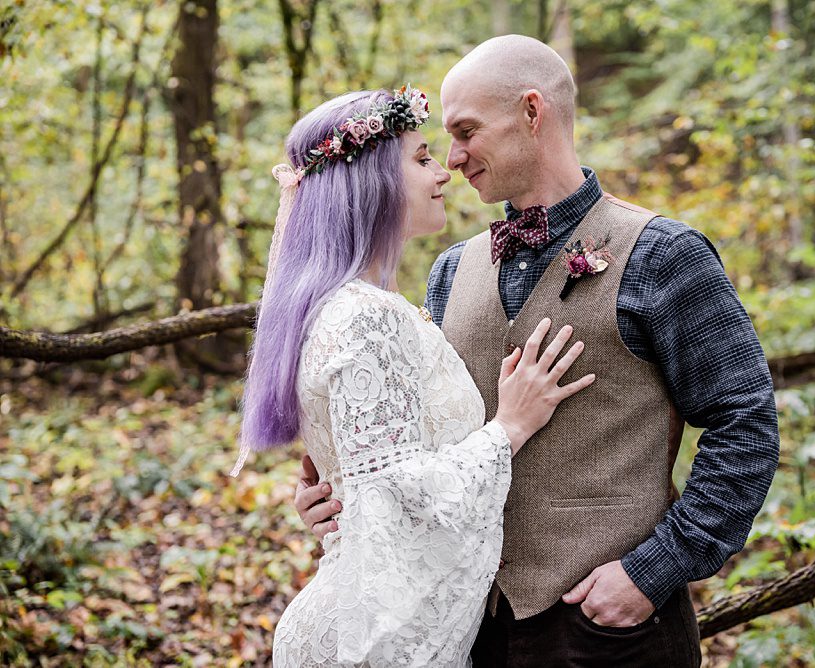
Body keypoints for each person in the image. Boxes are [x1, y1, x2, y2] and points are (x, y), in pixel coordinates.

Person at [296, 35, 781, 667]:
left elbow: (746, 422)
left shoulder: (665, 254)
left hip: (613, 634)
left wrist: (652, 572)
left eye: (467, 131)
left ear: (532, 112)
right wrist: (345, 497)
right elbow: (415, 452)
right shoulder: (448, 272)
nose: (453, 157)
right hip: (472, 629)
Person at [234, 87, 595, 667]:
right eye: (422, 157)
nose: (445, 171)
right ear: (372, 182)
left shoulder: (357, 305)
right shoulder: (365, 317)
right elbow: (400, 496)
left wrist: (338, 499)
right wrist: (509, 427)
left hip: (374, 621)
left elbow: (372, 478)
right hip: (371, 639)